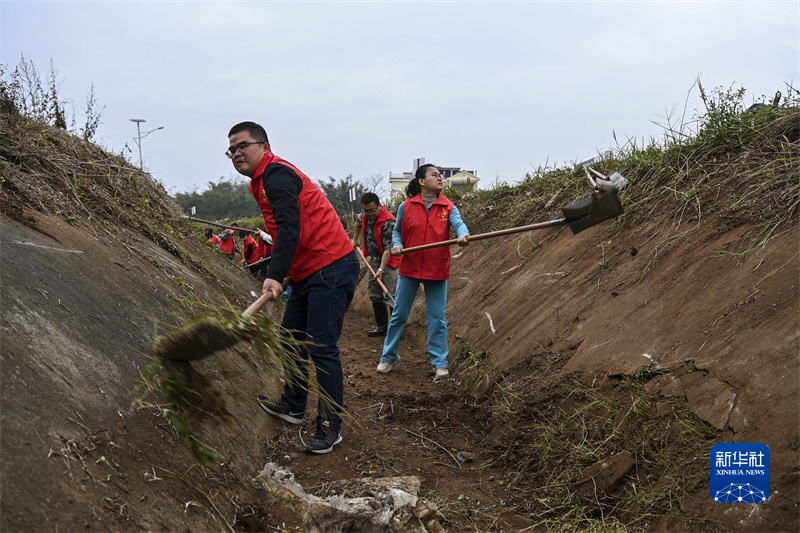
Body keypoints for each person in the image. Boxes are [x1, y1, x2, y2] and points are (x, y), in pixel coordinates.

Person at [227, 121, 359, 454]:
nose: (236, 153)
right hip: (308, 271)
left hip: (331, 265)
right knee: (290, 339)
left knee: (321, 347)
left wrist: (275, 273)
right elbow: (290, 228)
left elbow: (290, 226)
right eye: (231, 150)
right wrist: (288, 272)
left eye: (243, 145)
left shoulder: (277, 174)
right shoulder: (260, 183)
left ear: (264, 146)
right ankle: (294, 404)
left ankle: (330, 425)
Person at [378, 164, 470, 380]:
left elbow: (459, 224)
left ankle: (440, 363)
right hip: (409, 269)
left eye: (440, 176)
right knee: (399, 315)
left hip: (436, 269)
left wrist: (463, 235)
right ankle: (388, 356)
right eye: (435, 175)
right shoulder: (406, 206)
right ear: (421, 181)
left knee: (437, 318)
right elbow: (398, 232)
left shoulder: (448, 206)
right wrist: (397, 245)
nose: (440, 178)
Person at [351, 192, 400, 337]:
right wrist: (355, 239)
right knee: (373, 291)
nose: (369, 214)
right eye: (366, 210)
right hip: (374, 259)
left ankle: (396, 329)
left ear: (379, 206)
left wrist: (380, 269)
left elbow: (388, 250)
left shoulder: (389, 222)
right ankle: (382, 326)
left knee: (392, 293)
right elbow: (358, 223)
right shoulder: (365, 215)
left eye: (372, 210)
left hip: (390, 261)